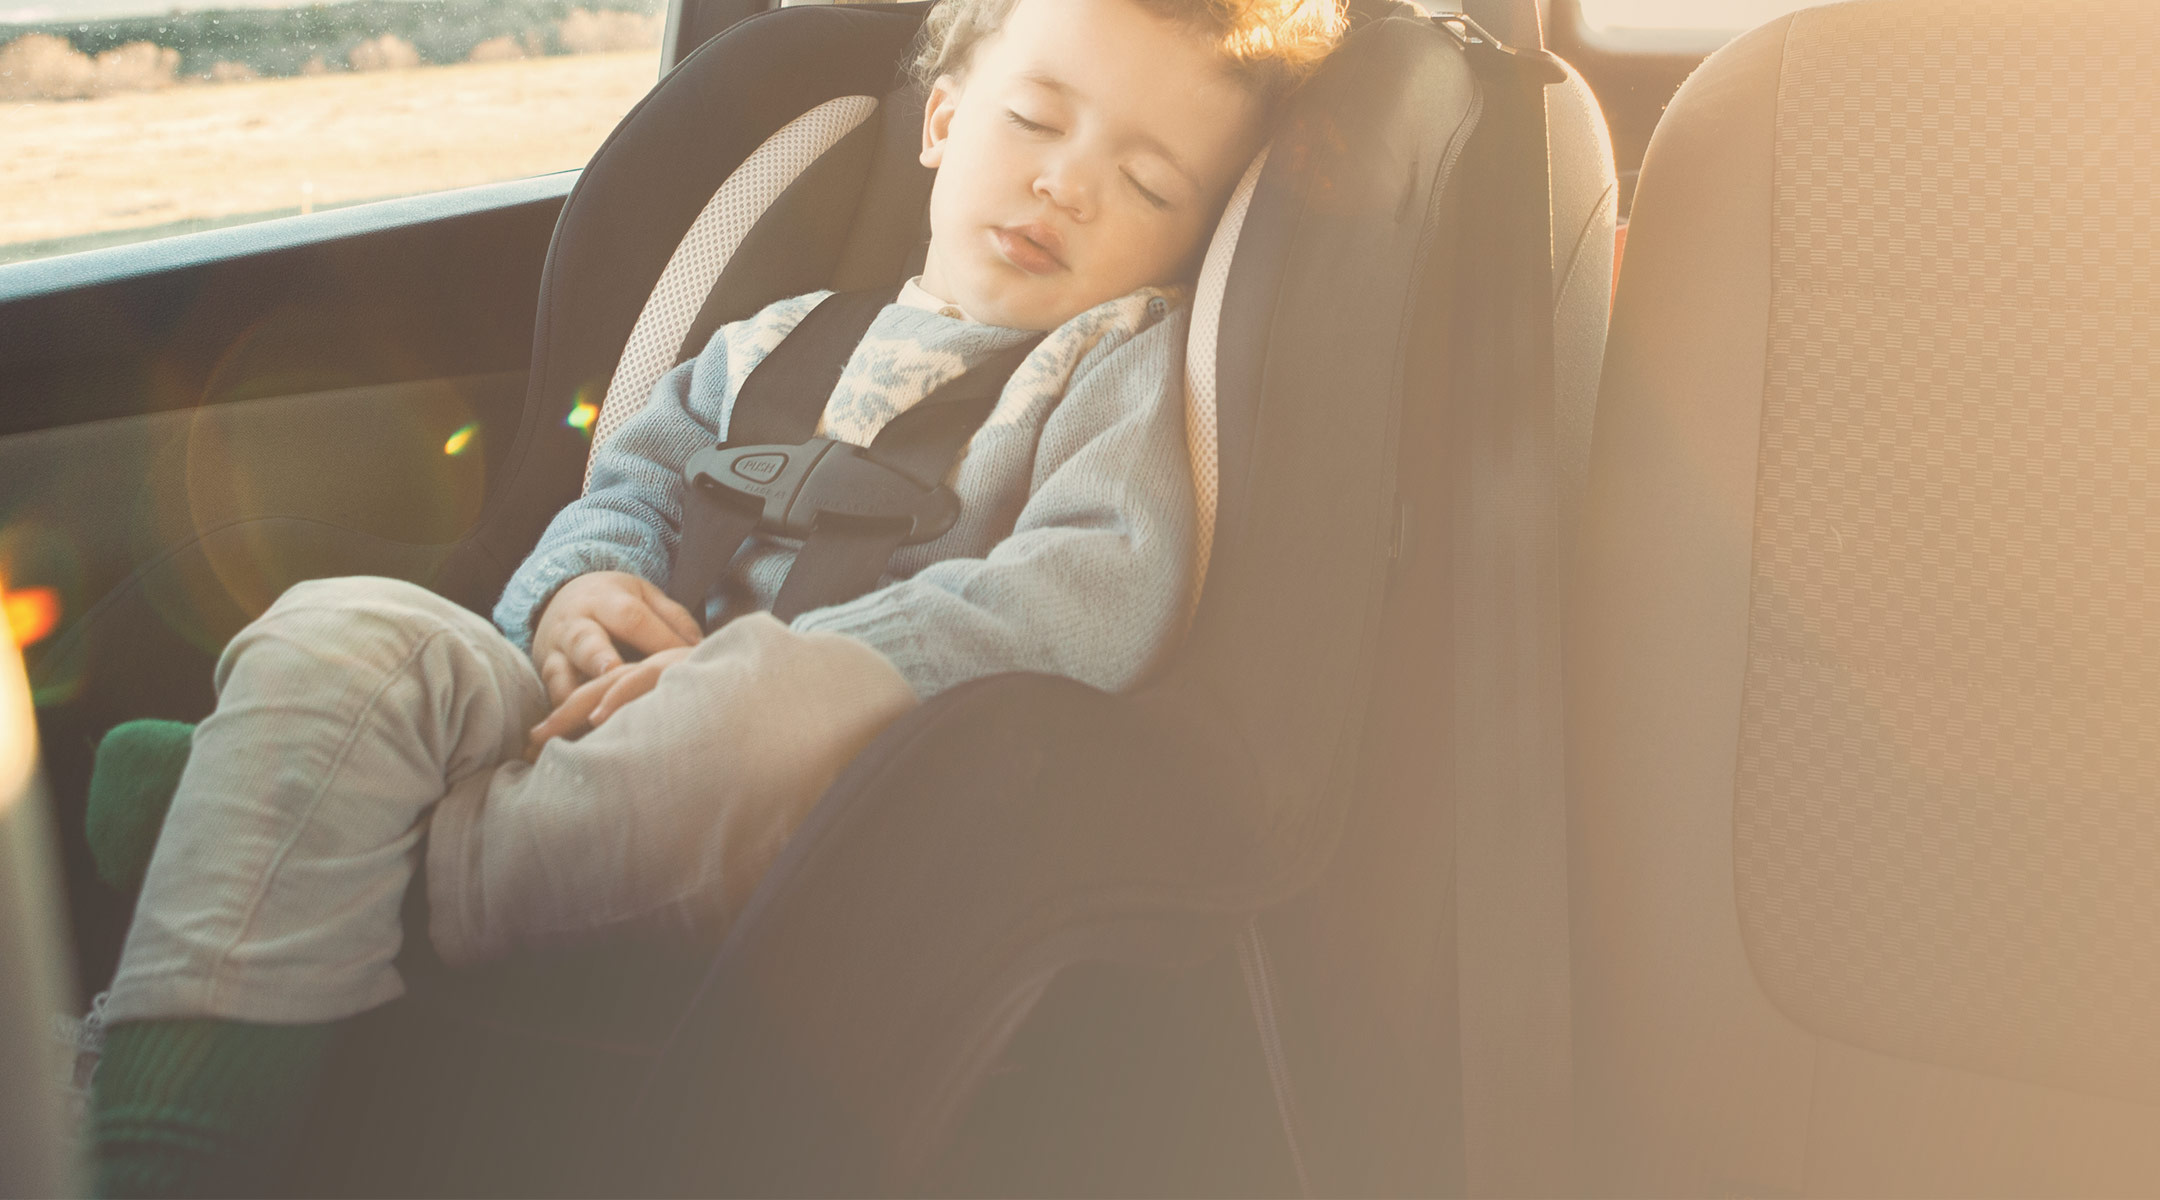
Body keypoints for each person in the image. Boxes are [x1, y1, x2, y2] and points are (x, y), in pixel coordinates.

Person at [84, 0, 1345, 1191]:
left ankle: (323, 837)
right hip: (573, 710)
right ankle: (157, 1150)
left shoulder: (1118, 368)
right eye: (1034, 121)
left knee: (770, 704)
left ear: (1198, 235)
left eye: (1148, 182)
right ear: (944, 122)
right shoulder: (770, 338)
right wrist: (581, 590)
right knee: (344, 629)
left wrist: (809, 664)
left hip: (815, 790)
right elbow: (624, 487)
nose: (1067, 182)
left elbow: (1092, 588)